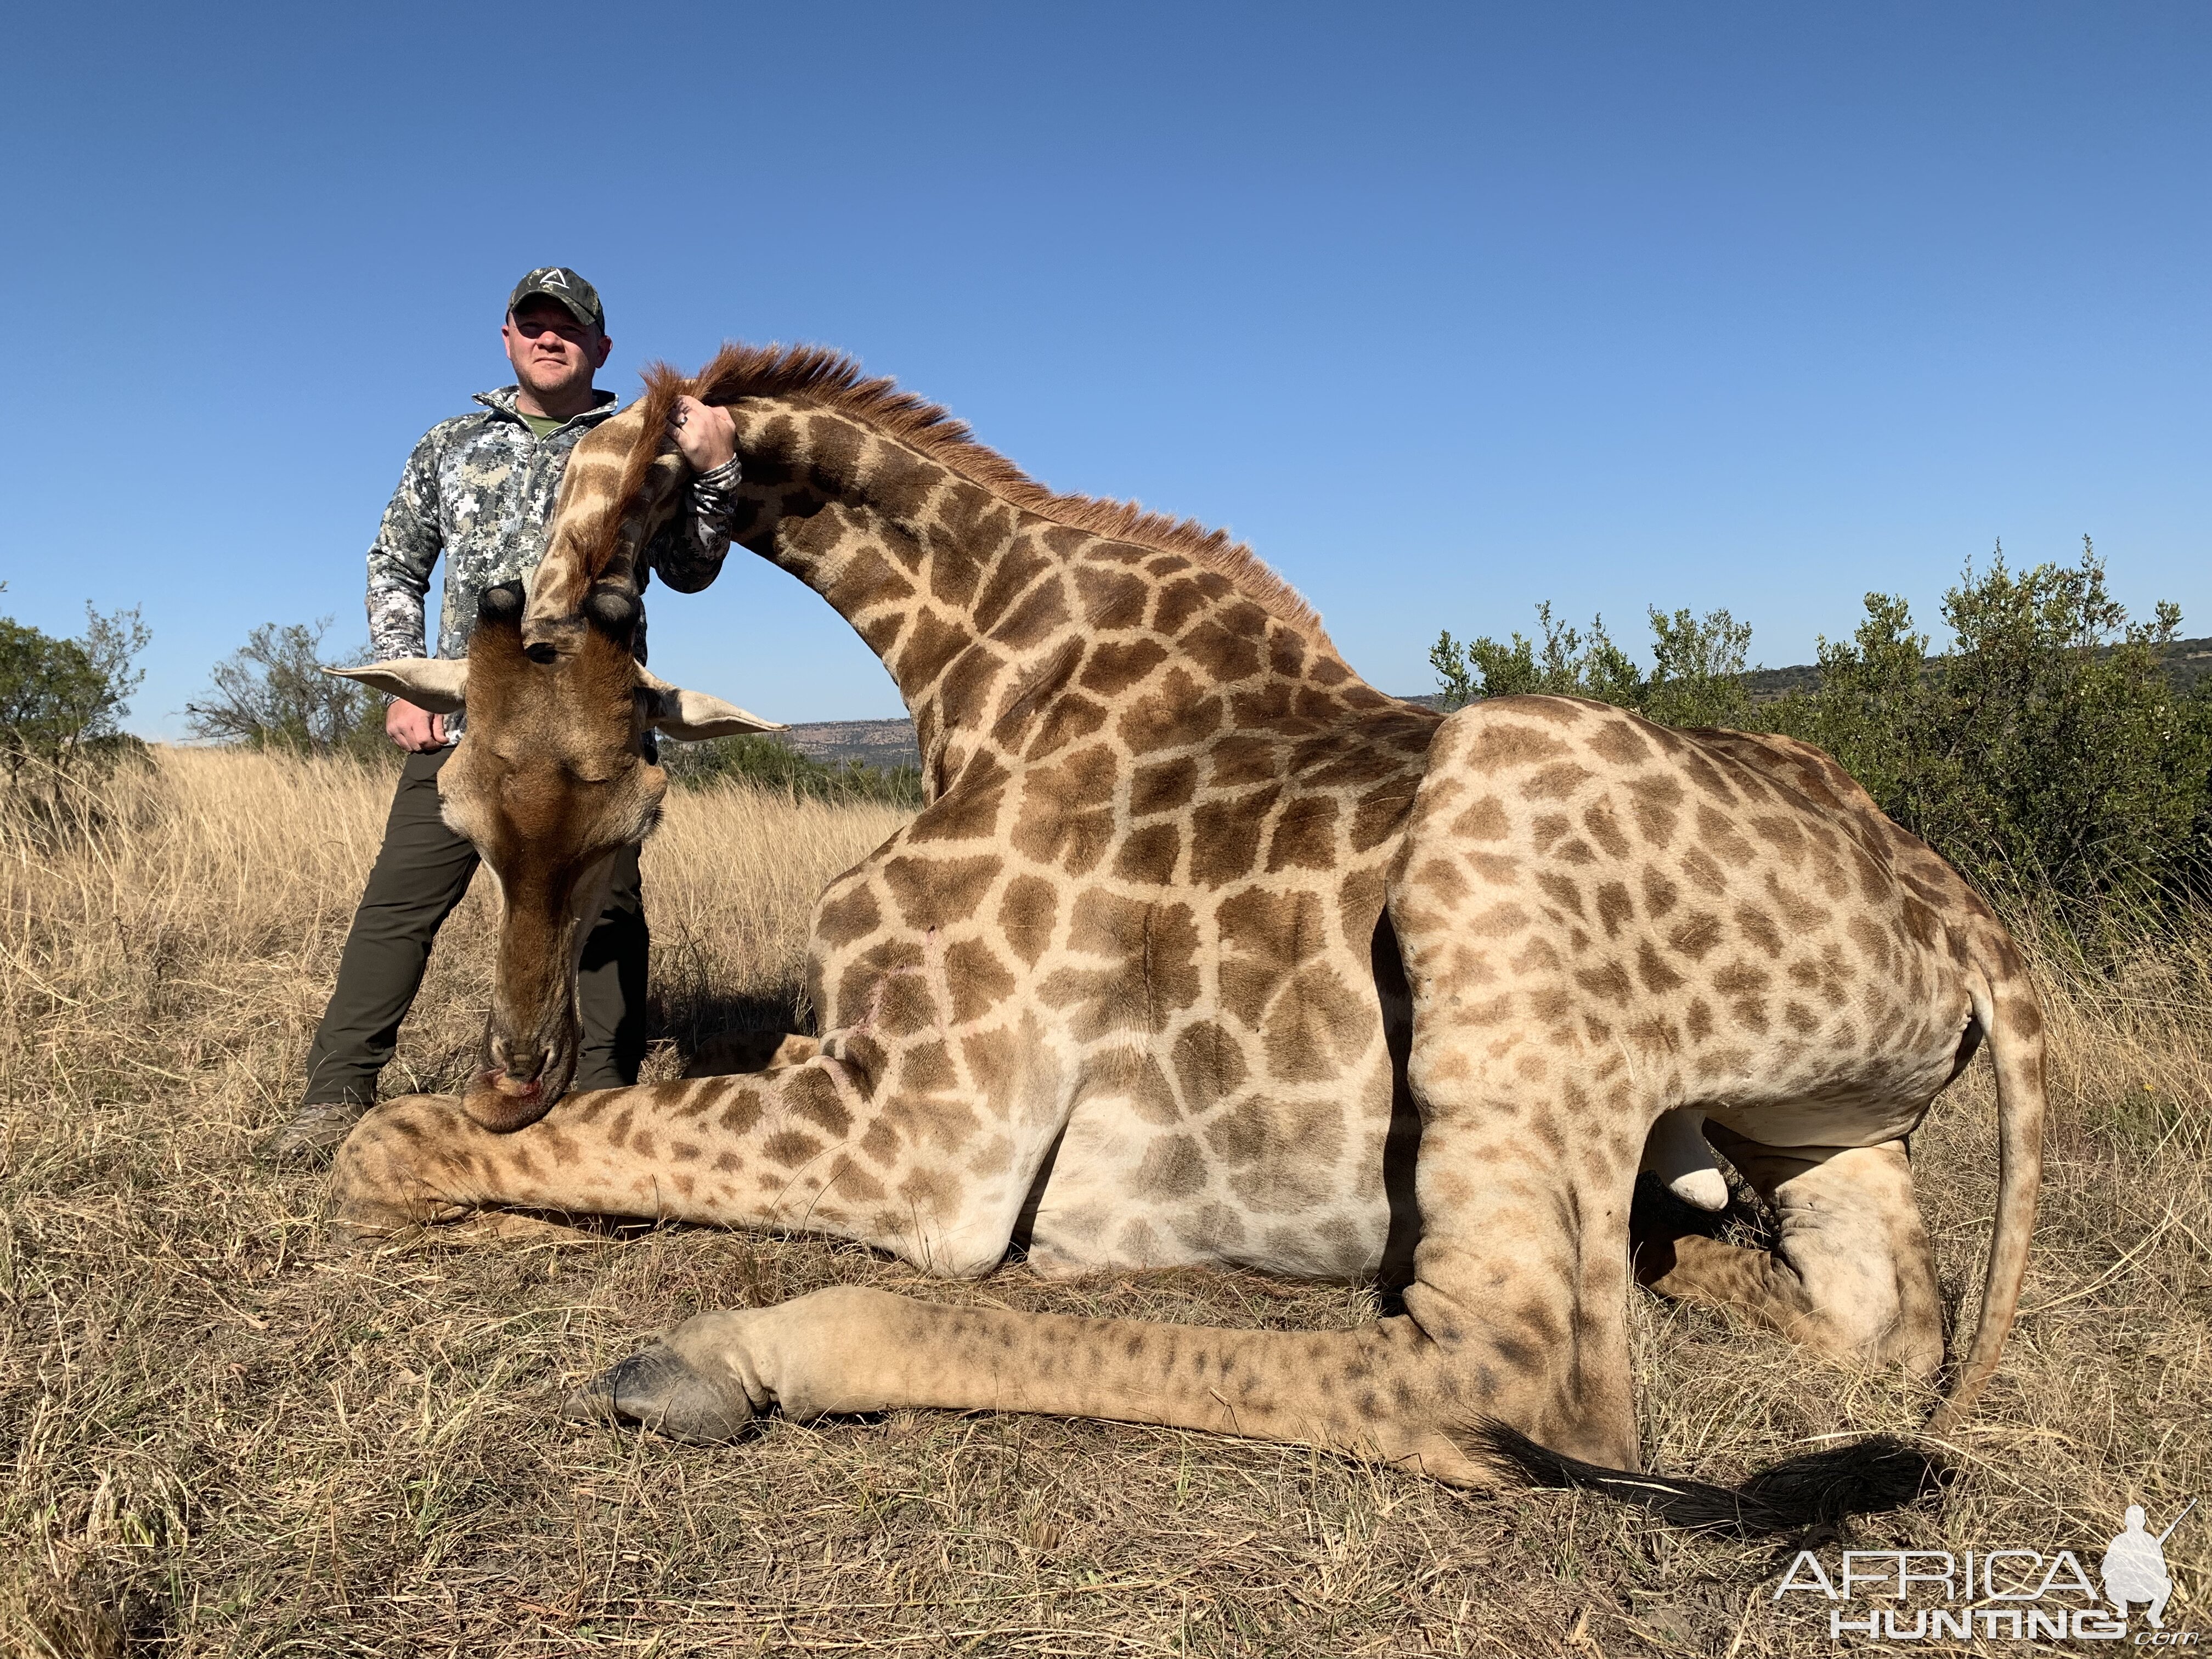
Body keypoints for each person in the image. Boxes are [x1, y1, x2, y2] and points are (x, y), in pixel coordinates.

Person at [268, 267, 740, 1163]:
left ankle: (599, 1107)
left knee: (603, 919)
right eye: (533, 325)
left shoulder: (645, 441)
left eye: (569, 328)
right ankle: (333, 1098)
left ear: (601, 346)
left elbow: (689, 569)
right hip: (474, 734)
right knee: (400, 908)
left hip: (594, 743)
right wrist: (411, 684)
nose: (549, 338)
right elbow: (395, 563)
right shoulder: (449, 443)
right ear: (508, 337)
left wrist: (718, 473)